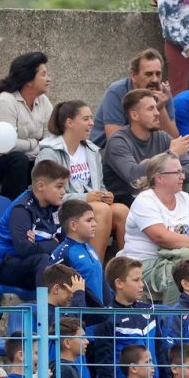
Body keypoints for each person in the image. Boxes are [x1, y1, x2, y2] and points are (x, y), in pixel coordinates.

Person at [122, 152, 189, 304]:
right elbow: (161, 237)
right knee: (178, 277)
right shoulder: (145, 200)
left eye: (182, 171)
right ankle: (173, 324)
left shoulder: (185, 198)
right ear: (160, 177)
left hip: (180, 260)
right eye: (177, 172)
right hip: (146, 263)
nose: (183, 177)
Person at [37, 99, 125, 259]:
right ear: (70, 122)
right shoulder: (50, 152)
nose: (92, 123)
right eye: (86, 119)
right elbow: (46, 195)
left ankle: (125, 271)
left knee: (121, 211)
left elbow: (100, 185)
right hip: (60, 211)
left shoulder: (92, 151)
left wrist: (105, 195)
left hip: (90, 206)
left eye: (91, 118)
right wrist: (85, 198)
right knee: (101, 210)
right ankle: (94, 269)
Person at [103, 89, 189, 205]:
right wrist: (171, 154)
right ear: (134, 115)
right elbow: (134, 177)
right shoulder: (118, 142)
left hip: (161, 201)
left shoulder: (163, 137)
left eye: (156, 107)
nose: (157, 113)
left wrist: (164, 171)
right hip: (129, 204)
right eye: (150, 109)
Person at [0, 51, 53, 199]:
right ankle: (15, 210)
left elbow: (51, 137)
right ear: (28, 80)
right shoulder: (6, 101)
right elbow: (6, 145)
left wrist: (39, 147)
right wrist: (34, 143)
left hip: (29, 156)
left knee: (51, 159)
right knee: (19, 160)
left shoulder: (43, 100)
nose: (48, 79)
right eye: (43, 74)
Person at [0, 159, 67, 289]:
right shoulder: (22, 209)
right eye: (59, 186)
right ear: (41, 186)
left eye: (64, 187)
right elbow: (25, 250)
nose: (63, 192)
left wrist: (38, 244)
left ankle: (97, 307)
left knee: (78, 258)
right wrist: (53, 243)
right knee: (43, 259)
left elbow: (64, 243)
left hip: (32, 262)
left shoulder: (54, 206)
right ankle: (45, 307)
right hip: (6, 265)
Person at [92, 49, 177, 148]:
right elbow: (115, 142)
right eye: (148, 74)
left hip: (146, 150)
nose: (155, 80)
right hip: (104, 150)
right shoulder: (116, 92)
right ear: (133, 76)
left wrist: (161, 108)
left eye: (158, 74)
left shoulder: (163, 94)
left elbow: (174, 141)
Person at [47, 200, 105, 306]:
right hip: (78, 317)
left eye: (94, 220)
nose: (94, 224)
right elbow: (52, 289)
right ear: (73, 225)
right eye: (89, 220)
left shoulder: (90, 249)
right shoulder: (63, 253)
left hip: (99, 316)